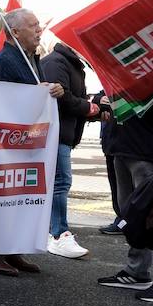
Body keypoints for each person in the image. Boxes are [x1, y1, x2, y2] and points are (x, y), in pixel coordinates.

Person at [0, 8, 65, 276]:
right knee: (3, 197)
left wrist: (53, 90)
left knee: (17, 197)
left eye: (38, 24)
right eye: (33, 26)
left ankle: (10, 249)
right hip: (7, 144)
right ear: (15, 33)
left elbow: (34, 92)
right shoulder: (4, 61)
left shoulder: (31, 57)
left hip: (24, 141)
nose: (39, 29)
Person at [96, 99, 153, 301]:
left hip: (148, 149)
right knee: (131, 215)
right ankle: (136, 271)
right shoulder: (119, 73)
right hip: (123, 146)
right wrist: (100, 100)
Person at [40, 40, 103, 259]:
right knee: (60, 182)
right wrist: (89, 107)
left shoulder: (69, 63)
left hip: (63, 133)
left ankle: (54, 232)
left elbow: (68, 96)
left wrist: (91, 105)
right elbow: (62, 99)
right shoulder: (57, 62)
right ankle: (58, 234)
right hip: (55, 134)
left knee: (57, 183)